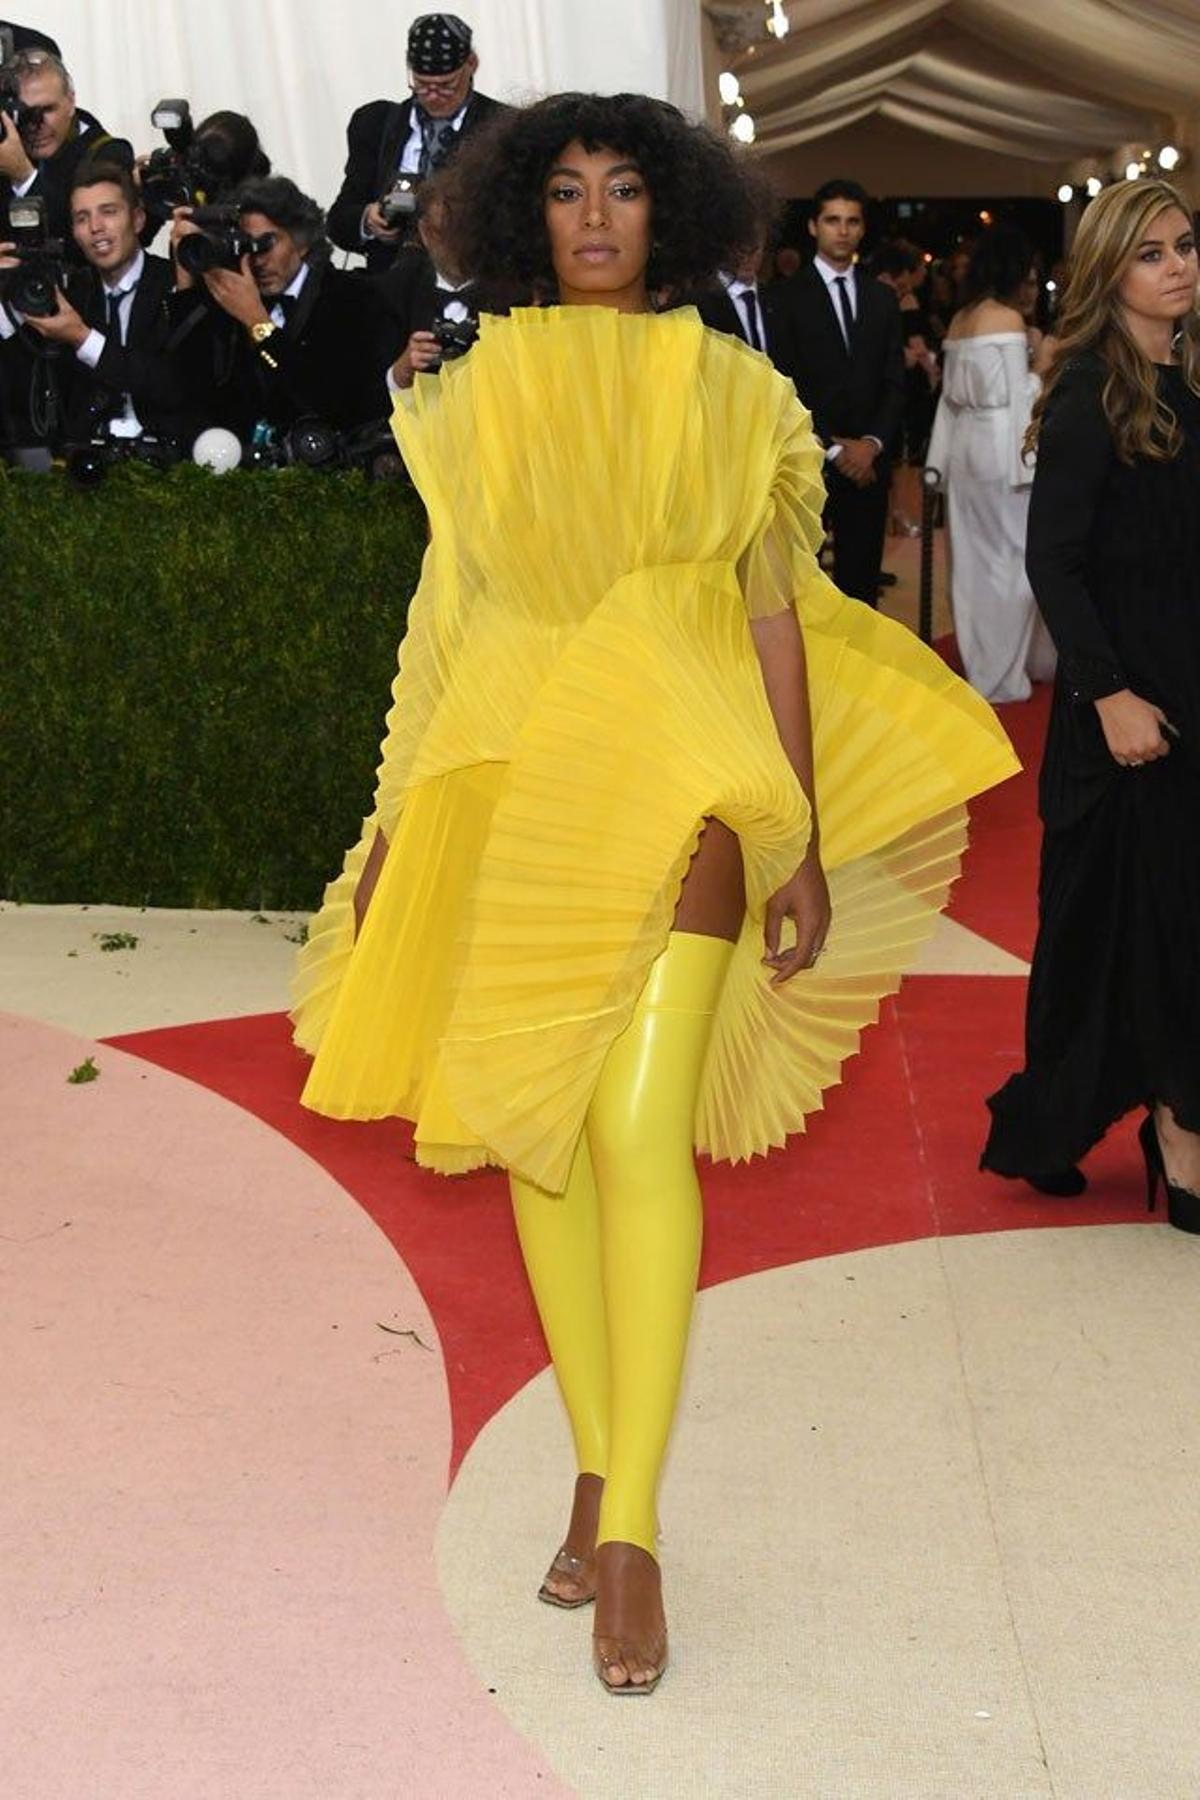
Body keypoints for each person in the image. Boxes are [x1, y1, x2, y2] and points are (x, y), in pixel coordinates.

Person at [291, 91, 1017, 1695]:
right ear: (521, 220)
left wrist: (803, 835)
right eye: (564, 190)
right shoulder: (477, 397)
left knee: (633, 1125)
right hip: (513, 771)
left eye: (626, 188)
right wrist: (400, 826)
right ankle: (602, 1469)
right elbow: (451, 622)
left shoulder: (737, 392)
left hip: (686, 766)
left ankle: (631, 1535)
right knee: (540, 1134)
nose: (598, 215)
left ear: (673, 214)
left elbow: (775, 621)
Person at [980, 178, 1200, 1222]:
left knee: (1175, 927)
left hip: (1194, 692)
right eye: (1153, 253)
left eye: (1186, 245)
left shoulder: (1193, 382)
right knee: (1107, 933)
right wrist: (1111, 695)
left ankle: (1174, 1120)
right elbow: (1053, 565)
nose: (1179, 267)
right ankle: (1126, 1126)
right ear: (1110, 272)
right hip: (1124, 709)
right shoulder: (1087, 399)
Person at [926, 224, 1056, 703]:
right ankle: (1004, 672)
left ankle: (988, 661)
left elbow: (951, 400)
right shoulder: (1005, 320)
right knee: (1014, 559)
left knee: (974, 560)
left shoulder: (962, 317)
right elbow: (1013, 399)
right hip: (1002, 449)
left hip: (966, 450)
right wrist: (1041, 367)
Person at [168, 174, 393, 441]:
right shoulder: (231, 296)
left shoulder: (352, 297)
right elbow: (188, 389)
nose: (257, 260)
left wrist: (258, 323)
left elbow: (331, 401)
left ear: (301, 241)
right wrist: (187, 281)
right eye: (246, 245)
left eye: (267, 244)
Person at [774, 178, 905, 604]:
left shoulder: (882, 298)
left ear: (863, 229)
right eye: (832, 220)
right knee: (800, 589)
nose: (842, 230)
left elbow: (894, 380)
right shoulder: (785, 298)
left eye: (852, 221)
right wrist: (833, 448)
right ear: (814, 227)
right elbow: (784, 381)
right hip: (807, 462)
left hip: (869, 466)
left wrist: (870, 444)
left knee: (861, 588)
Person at [0, 161, 193, 449]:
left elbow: (173, 384)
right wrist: (8, 291)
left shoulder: (174, 284)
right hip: (85, 464)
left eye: (108, 212)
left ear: (138, 219)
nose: (95, 228)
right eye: (81, 218)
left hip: (169, 461)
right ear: (74, 234)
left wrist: (81, 338)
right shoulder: (69, 292)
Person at [327, 12, 505, 274]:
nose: (433, 97)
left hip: (475, 280)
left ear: (471, 64)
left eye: (446, 85)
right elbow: (339, 221)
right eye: (421, 85)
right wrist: (369, 220)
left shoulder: (503, 126)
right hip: (392, 284)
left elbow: (520, 224)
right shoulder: (376, 124)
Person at [0, 48, 131, 245]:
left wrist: (25, 176)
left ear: (70, 101)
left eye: (48, 109)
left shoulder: (107, 154)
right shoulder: (6, 152)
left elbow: (84, 242)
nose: (38, 125)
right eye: (27, 114)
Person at [874, 237, 939, 536]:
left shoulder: (900, 295)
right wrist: (930, 368)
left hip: (899, 382)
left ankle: (895, 516)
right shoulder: (899, 297)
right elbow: (914, 343)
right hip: (898, 384)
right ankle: (897, 515)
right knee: (900, 454)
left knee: (899, 455)